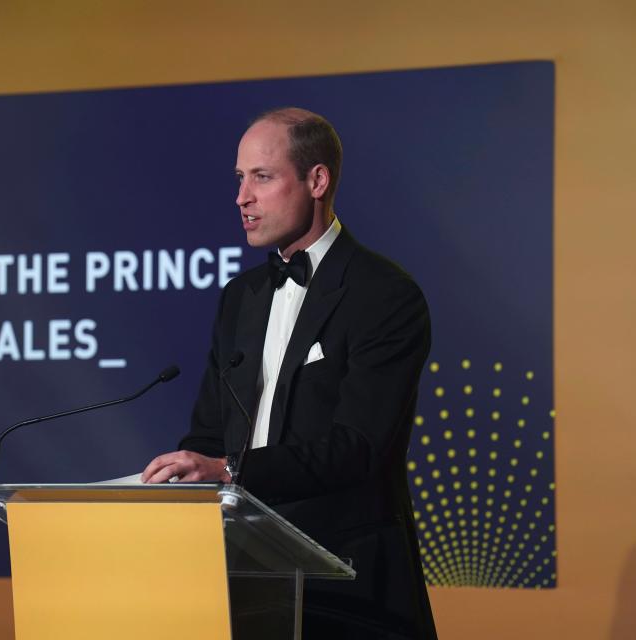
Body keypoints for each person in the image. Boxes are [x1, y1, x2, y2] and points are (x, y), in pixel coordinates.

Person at [141, 107, 438, 639]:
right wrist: (186, 475)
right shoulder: (241, 298)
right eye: (239, 179)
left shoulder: (384, 295)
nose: (242, 198)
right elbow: (209, 433)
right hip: (241, 583)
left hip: (347, 589)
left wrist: (230, 470)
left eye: (262, 176)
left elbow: (358, 447)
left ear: (317, 179)